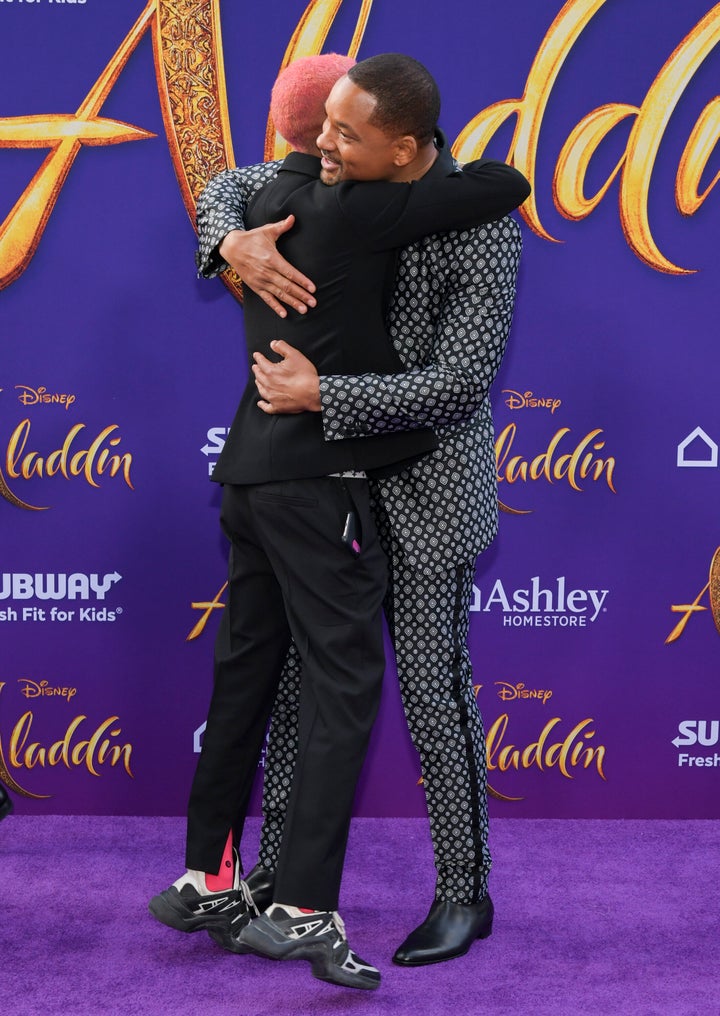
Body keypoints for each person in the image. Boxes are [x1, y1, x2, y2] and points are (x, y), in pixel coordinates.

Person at [151, 53, 530, 989]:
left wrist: (328, 395)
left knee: (431, 693)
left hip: (427, 488)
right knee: (295, 689)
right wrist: (229, 243)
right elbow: (229, 182)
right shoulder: (329, 173)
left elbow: (458, 384)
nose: (323, 141)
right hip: (330, 485)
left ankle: (463, 891)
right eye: (323, 125)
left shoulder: (481, 221)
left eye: (345, 130)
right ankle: (277, 883)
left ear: (403, 150)